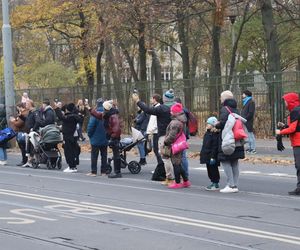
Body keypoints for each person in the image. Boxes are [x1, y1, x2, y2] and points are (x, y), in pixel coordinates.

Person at [132, 90, 173, 182]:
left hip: (158, 133)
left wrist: (138, 100)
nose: (150, 99)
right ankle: (163, 170)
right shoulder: (163, 108)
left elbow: (149, 113)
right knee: (160, 153)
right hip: (158, 133)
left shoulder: (160, 109)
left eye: (151, 98)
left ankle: (165, 173)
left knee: (162, 154)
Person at [215, 90, 245, 193]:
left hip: (228, 139)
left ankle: (230, 185)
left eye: (221, 97)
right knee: (234, 162)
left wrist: (217, 124)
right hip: (237, 139)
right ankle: (235, 185)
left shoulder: (224, 109)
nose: (220, 99)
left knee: (225, 160)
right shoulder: (236, 109)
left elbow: (223, 123)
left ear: (224, 99)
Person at [89, 100, 122, 178]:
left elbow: (117, 130)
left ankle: (117, 172)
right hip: (111, 137)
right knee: (112, 154)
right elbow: (98, 115)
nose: (103, 110)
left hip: (114, 138)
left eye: (104, 108)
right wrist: (90, 109)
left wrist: (112, 138)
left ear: (106, 108)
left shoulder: (113, 116)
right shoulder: (107, 115)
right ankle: (114, 171)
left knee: (116, 155)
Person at [276, 92, 300, 195]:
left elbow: (293, 129)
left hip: (298, 143)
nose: (284, 103)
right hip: (297, 141)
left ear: (290, 101)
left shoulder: (296, 111)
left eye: (285, 101)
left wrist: (280, 132)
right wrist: (285, 125)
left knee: (299, 166)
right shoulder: (296, 110)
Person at [164, 103, 191, 189]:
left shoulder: (175, 123)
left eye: (172, 111)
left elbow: (172, 136)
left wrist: (165, 142)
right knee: (178, 164)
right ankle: (186, 181)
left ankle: (177, 182)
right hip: (179, 144)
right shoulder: (181, 120)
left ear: (175, 113)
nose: (170, 112)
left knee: (176, 164)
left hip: (174, 145)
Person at [55, 103, 82, 173]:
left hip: (68, 136)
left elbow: (61, 117)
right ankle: (73, 166)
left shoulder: (70, 117)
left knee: (68, 151)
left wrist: (57, 108)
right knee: (73, 151)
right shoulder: (75, 116)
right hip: (73, 136)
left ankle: (71, 166)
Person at [87, 98, 108, 176]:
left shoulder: (95, 114)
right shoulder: (107, 114)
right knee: (104, 155)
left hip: (95, 138)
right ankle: (103, 171)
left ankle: (94, 171)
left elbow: (90, 126)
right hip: (105, 138)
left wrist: (90, 135)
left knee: (94, 156)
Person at [200, 117, 220, 191]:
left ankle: (215, 183)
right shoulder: (207, 133)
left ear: (213, 125)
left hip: (211, 155)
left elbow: (215, 146)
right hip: (206, 154)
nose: (207, 125)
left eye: (209, 124)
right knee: (209, 169)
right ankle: (212, 182)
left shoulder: (215, 134)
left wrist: (213, 157)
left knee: (213, 169)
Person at [174, 97, 190, 178]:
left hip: (180, 136)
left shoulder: (180, 114)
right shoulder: (185, 112)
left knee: (181, 156)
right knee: (182, 155)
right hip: (184, 135)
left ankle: (184, 174)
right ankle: (184, 173)